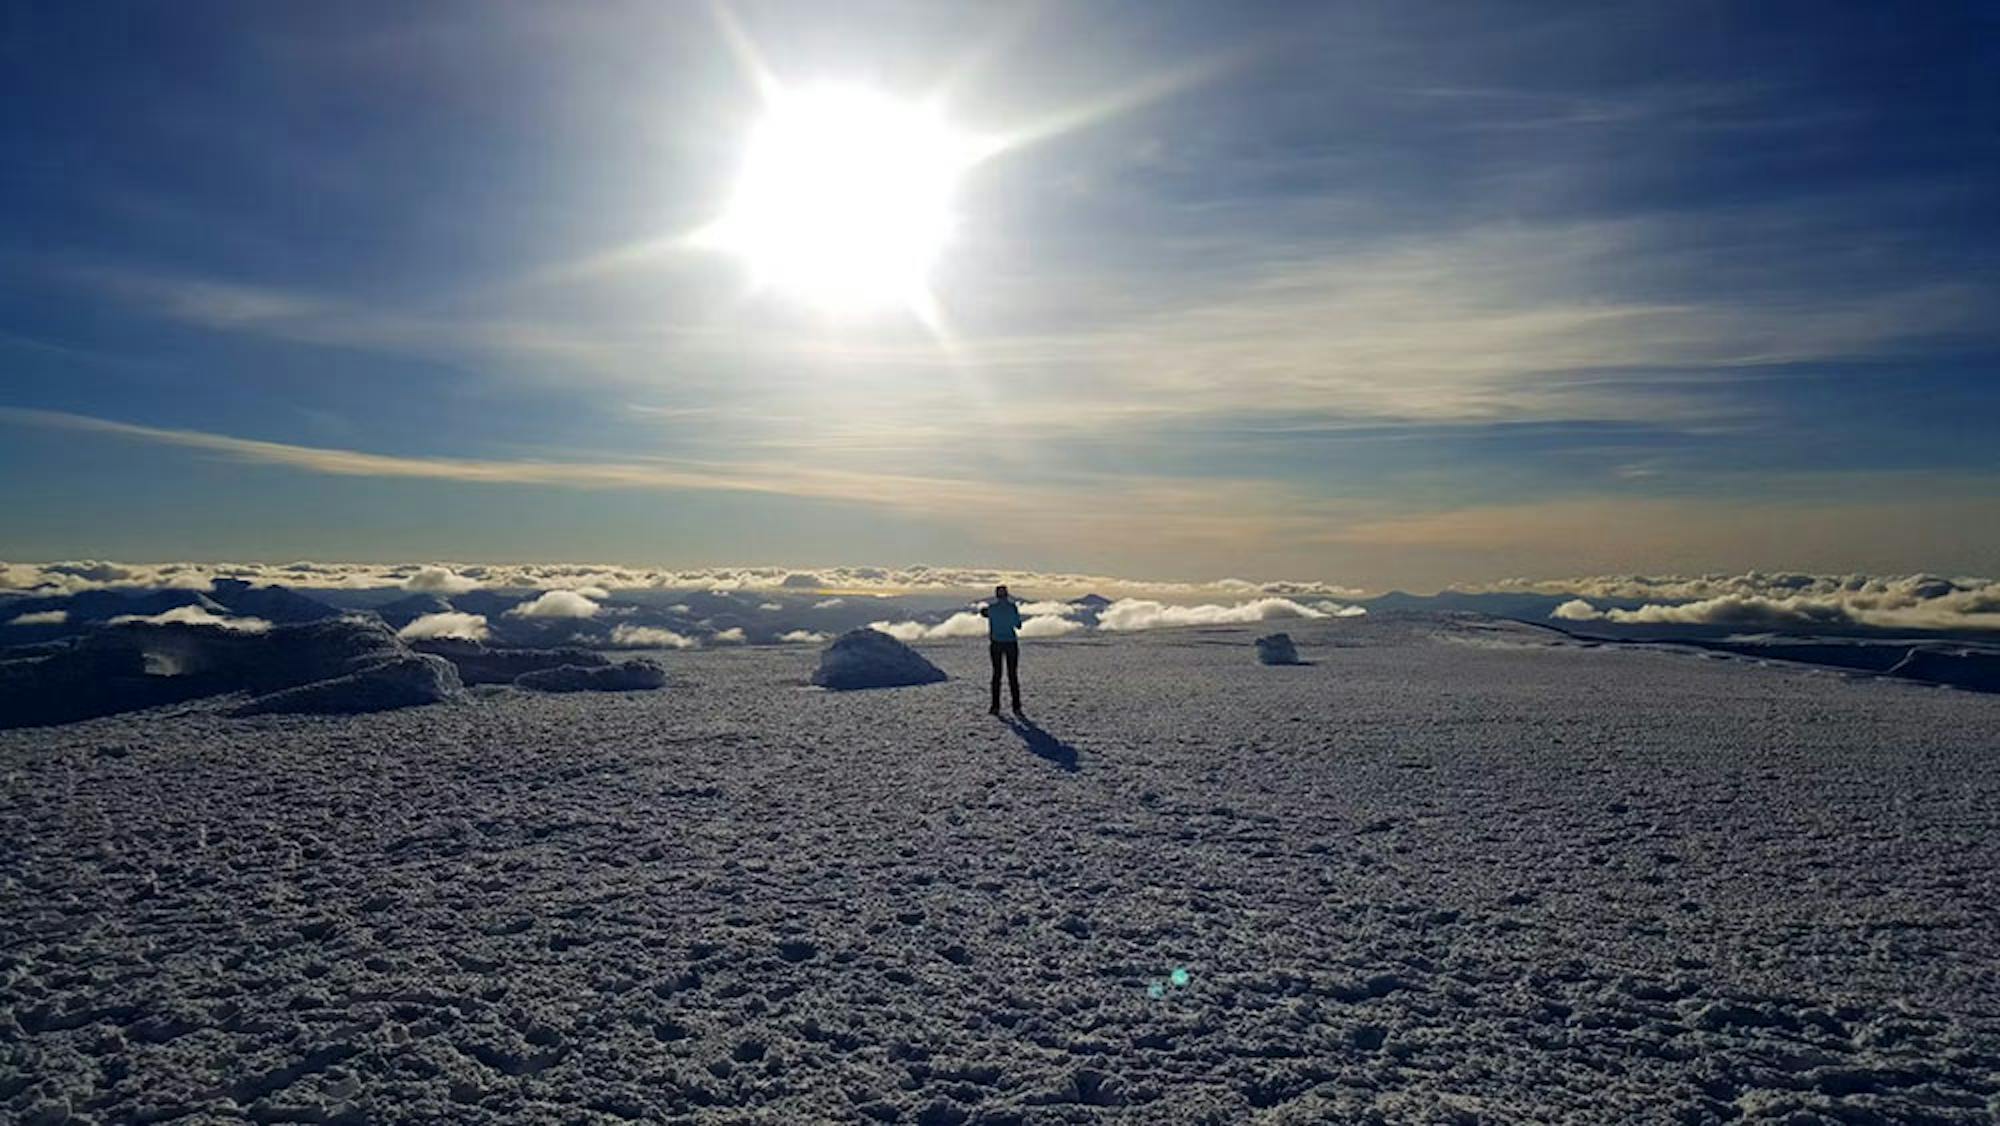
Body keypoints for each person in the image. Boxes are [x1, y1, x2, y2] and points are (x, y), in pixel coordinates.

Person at [979, 584, 1024, 715]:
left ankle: (995, 706)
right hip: (1011, 643)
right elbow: (1018, 625)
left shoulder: (992, 609)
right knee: (1012, 675)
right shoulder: (1012, 608)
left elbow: (983, 613)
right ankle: (1016, 706)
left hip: (996, 644)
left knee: (997, 675)